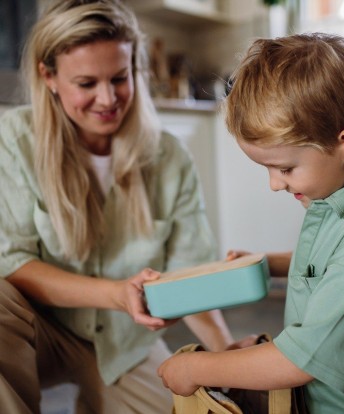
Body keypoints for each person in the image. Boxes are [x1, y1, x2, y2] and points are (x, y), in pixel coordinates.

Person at [0, 1, 243, 413]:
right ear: (50, 76)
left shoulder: (169, 157)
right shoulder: (14, 139)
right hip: (39, 330)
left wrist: (233, 365)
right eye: (86, 83)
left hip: (124, 341)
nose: (108, 98)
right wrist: (115, 293)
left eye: (119, 77)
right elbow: (13, 261)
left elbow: (189, 276)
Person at [158, 33, 344, 413]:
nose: (275, 184)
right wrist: (272, 262)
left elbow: (300, 360)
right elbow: (335, 263)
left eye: (285, 168)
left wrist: (197, 367)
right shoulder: (340, 198)